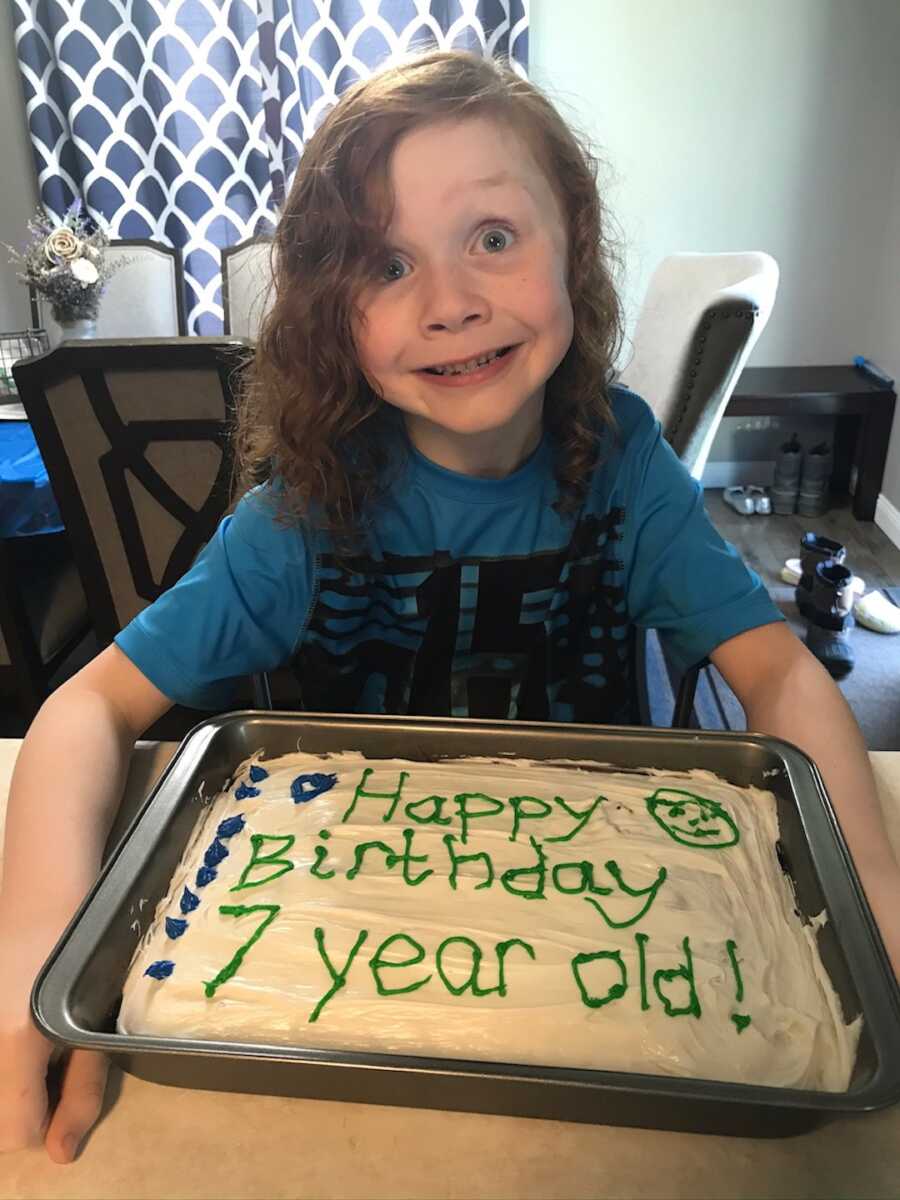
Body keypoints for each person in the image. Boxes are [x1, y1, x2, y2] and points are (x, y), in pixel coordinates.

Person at [1, 49, 897, 1164]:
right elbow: (83, 710)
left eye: (493, 237)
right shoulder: (305, 518)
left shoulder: (624, 472)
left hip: (613, 995)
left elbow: (780, 673)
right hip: (339, 1014)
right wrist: (47, 953)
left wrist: (873, 902)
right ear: (334, 311)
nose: (450, 304)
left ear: (573, 235)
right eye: (386, 264)